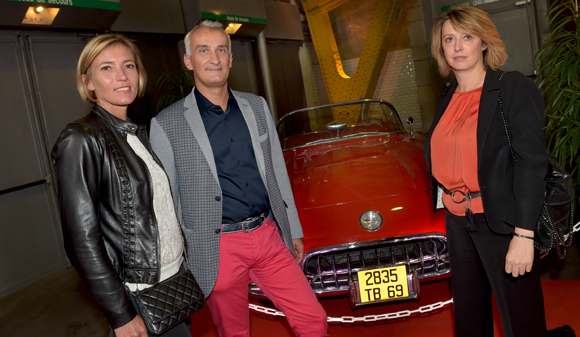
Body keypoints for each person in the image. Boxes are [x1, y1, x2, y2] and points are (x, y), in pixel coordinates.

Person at [149, 20, 328, 337]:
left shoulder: (256, 107)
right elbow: (166, 201)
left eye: (221, 50)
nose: (214, 59)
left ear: (231, 58)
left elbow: (276, 172)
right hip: (216, 246)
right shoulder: (167, 123)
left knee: (313, 320)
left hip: (267, 234)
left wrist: (294, 228)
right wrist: (178, 257)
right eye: (204, 50)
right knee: (234, 333)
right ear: (189, 60)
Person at [52, 34, 191, 337]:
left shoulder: (135, 133)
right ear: (87, 81)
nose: (121, 76)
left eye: (128, 65)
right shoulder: (81, 139)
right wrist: (120, 314)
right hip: (138, 297)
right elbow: (81, 241)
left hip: (171, 285)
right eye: (106, 68)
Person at [424, 7, 548, 337]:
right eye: (449, 39)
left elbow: (532, 164)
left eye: (467, 37)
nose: (457, 46)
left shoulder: (511, 88)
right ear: (441, 48)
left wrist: (524, 234)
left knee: (521, 322)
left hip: (503, 221)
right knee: (469, 320)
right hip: (458, 222)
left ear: (483, 43)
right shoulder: (447, 97)